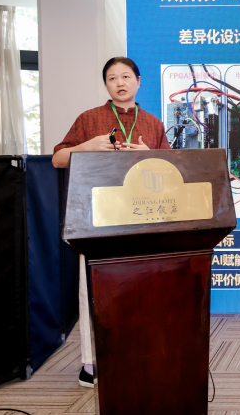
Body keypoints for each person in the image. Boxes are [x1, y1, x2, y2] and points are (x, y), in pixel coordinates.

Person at [52, 57, 170, 387]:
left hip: (143, 216)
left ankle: (138, 355)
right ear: (106, 84)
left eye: (126, 76)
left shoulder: (153, 123)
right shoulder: (89, 119)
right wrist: (86, 147)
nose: (120, 82)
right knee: (95, 289)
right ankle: (91, 363)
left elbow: (170, 169)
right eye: (112, 78)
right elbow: (58, 159)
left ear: (138, 81)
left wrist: (149, 156)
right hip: (97, 217)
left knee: (140, 288)